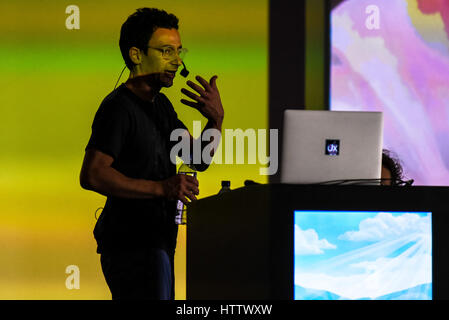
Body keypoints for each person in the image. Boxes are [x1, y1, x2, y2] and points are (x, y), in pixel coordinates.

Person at [79, 8, 224, 300]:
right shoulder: (118, 108)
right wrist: (162, 187)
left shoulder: (162, 107)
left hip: (157, 242)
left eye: (179, 51)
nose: (177, 61)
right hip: (131, 245)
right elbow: (92, 174)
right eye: (167, 51)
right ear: (136, 55)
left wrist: (215, 120)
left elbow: (198, 159)